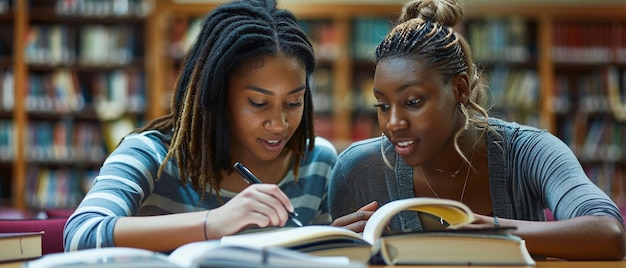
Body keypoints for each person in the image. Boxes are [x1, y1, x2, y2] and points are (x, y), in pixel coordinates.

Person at [328, 0, 625, 261]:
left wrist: (495, 230)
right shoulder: (358, 170)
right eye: (382, 105)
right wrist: (329, 247)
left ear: (460, 89)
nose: (393, 123)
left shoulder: (530, 152)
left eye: (413, 101)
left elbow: (609, 233)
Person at [64, 0, 337, 253]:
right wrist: (211, 224)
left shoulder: (317, 162)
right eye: (258, 102)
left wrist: (332, 242)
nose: (279, 124)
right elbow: (80, 235)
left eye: (294, 102)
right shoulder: (152, 154)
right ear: (217, 96)